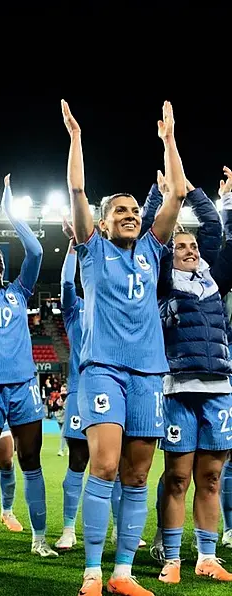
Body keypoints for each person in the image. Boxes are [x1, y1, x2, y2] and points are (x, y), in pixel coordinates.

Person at [62, 98, 187, 596]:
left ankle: (122, 574)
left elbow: (175, 193)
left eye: (136, 210)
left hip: (149, 373)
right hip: (102, 369)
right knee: (106, 465)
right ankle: (92, 572)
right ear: (104, 222)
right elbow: (76, 188)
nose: (132, 215)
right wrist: (75, 138)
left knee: (137, 474)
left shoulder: (154, 252)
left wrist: (169, 140)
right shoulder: (92, 250)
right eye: (121, 211)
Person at [0, 173, 56, 560]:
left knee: (31, 461)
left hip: (23, 387)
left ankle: (39, 539)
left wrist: (10, 211)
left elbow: (34, 252)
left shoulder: (20, 292)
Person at [150, 168, 232, 583]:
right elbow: (153, 235)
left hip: (219, 388)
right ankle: (172, 559)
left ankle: (207, 556)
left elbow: (220, 234)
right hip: (179, 388)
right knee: (179, 477)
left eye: (193, 245)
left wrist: (208, 196)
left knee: (212, 477)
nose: (189, 250)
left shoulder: (214, 282)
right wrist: (163, 193)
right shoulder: (164, 282)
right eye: (181, 245)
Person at [55, 220, 90, 551]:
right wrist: (72, 247)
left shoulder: (112, 303)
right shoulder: (75, 310)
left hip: (118, 388)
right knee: (78, 460)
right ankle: (68, 529)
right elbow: (67, 282)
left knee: (121, 466)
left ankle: (120, 531)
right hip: (82, 391)